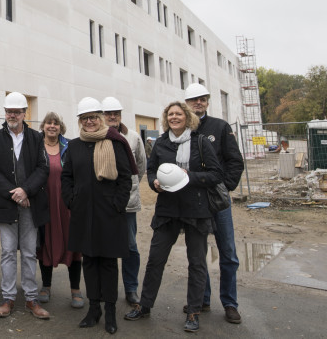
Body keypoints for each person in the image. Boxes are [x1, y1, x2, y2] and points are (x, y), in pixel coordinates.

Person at [125, 101, 223, 333]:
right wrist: (154, 183)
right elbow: (151, 169)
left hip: (196, 209)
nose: (174, 117)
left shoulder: (200, 142)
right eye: (170, 114)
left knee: (197, 263)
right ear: (166, 118)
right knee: (155, 260)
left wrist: (190, 176)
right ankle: (145, 305)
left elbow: (216, 174)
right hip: (168, 209)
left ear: (187, 117)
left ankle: (193, 312)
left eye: (179, 114)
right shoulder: (161, 143)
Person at [61, 97, 133, 334]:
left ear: (100, 119)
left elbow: (125, 178)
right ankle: (94, 309)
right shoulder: (74, 145)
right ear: (80, 121)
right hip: (83, 213)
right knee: (89, 261)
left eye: (93, 117)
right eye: (85, 118)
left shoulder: (115, 142)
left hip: (109, 213)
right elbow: (67, 176)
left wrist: (118, 204)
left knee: (109, 262)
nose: (89, 122)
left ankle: (110, 311)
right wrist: (71, 199)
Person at [0, 91, 50, 320]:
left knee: (30, 252)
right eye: (9, 111)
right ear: (5, 112)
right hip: (7, 204)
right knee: (8, 252)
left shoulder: (35, 138)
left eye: (17, 111)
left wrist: (26, 190)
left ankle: (31, 298)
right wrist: (15, 193)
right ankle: (9, 297)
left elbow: (43, 168)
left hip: (30, 204)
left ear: (24, 113)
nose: (12, 115)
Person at [184, 83, 244, 324]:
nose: (198, 103)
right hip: (194, 201)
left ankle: (229, 303)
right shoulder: (183, 130)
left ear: (207, 102)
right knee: (198, 254)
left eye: (203, 99)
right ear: (186, 103)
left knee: (227, 252)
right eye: (194, 100)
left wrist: (225, 186)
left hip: (218, 201)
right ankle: (202, 300)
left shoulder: (219, 127)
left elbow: (235, 161)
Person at [102, 96, 147, 307]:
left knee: (130, 246)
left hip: (128, 203)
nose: (113, 117)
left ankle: (131, 288)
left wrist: (129, 187)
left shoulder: (133, 138)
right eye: (109, 113)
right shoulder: (97, 136)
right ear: (102, 116)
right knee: (104, 246)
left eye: (116, 113)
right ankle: (105, 288)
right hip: (103, 202)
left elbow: (140, 167)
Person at [36, 112, 83, 309]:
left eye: (56, 123)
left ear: (60, 126)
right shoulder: (36, 147)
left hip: (67, 204)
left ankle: (75, 289)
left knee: (73, 245)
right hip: (44, 202)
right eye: (49, 123)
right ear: (43, 126)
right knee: (45, 243)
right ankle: (46, 286)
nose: (52, 126)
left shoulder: (69, 146)